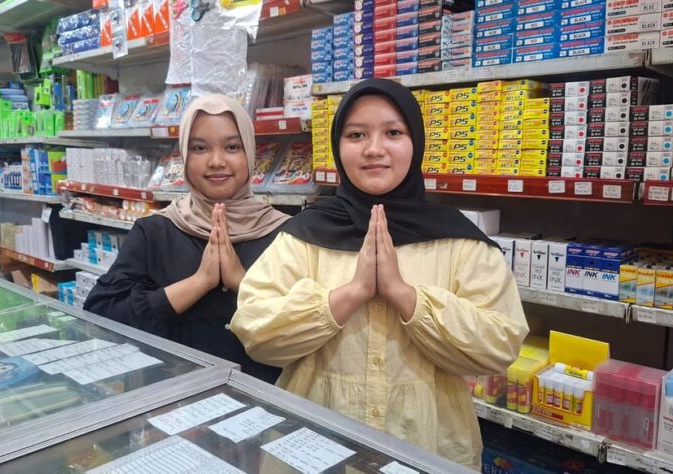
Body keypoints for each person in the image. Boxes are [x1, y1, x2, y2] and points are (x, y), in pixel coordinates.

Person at [230, 79, 528, 468]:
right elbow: (255, 332)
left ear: (416, 142)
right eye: (356, 134)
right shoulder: (304, 235)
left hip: (427, 443)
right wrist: (350, 293)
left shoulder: (459, 240)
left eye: (393, 133)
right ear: (338, 146)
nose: (374, 149)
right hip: (315, 442)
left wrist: (404, 295)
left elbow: (500, 345)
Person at [84, 95, 289, 384]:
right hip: (174, 399)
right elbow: (100, 316)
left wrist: (241, 282)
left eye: (232, 147)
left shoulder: (284, 233)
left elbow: (303, 327)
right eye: (199, 148)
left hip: (264, 400)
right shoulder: (154, 232)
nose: (216, 161)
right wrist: (199, 282)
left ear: (251, 152)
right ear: (183, 155)